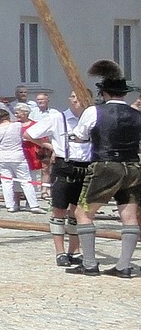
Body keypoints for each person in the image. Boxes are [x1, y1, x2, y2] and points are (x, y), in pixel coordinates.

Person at [69, 60, 141, 278]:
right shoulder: (137, 115)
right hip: (133, 166)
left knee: (83, 212)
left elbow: (81, 135)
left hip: (105, 165)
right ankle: (124, 266)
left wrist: (75, 137)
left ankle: (89, 264)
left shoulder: (94, 111)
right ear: (124, 94)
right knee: (129, 216)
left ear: (105, 92)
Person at [49, 93, 92, 269]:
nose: (75, 99)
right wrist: (51, 147)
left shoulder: (92, 118)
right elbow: (29, 133)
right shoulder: (58, 118)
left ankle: (73, 251)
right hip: (64, 165)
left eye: (78, 96)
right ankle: (59, 252)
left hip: (85, 167)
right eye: (72, 96)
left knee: (77, 211)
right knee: (59, 210)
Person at [0, 107, 39, 213]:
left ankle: (10, 205)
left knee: (6, 182)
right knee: (26, 181)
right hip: (18, 156)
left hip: (3, 157)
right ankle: (33, 205)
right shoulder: (17, 126)